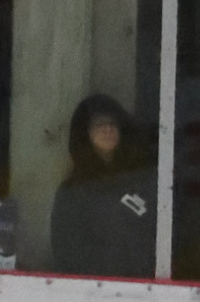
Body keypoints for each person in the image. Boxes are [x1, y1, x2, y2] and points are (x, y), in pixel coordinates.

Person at [50, 94, 156, 278]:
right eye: (99, 124)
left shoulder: (142, 180)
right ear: (85, 133)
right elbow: (67, 251)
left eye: (112, 124)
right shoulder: (74, 191)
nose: (107, 129)